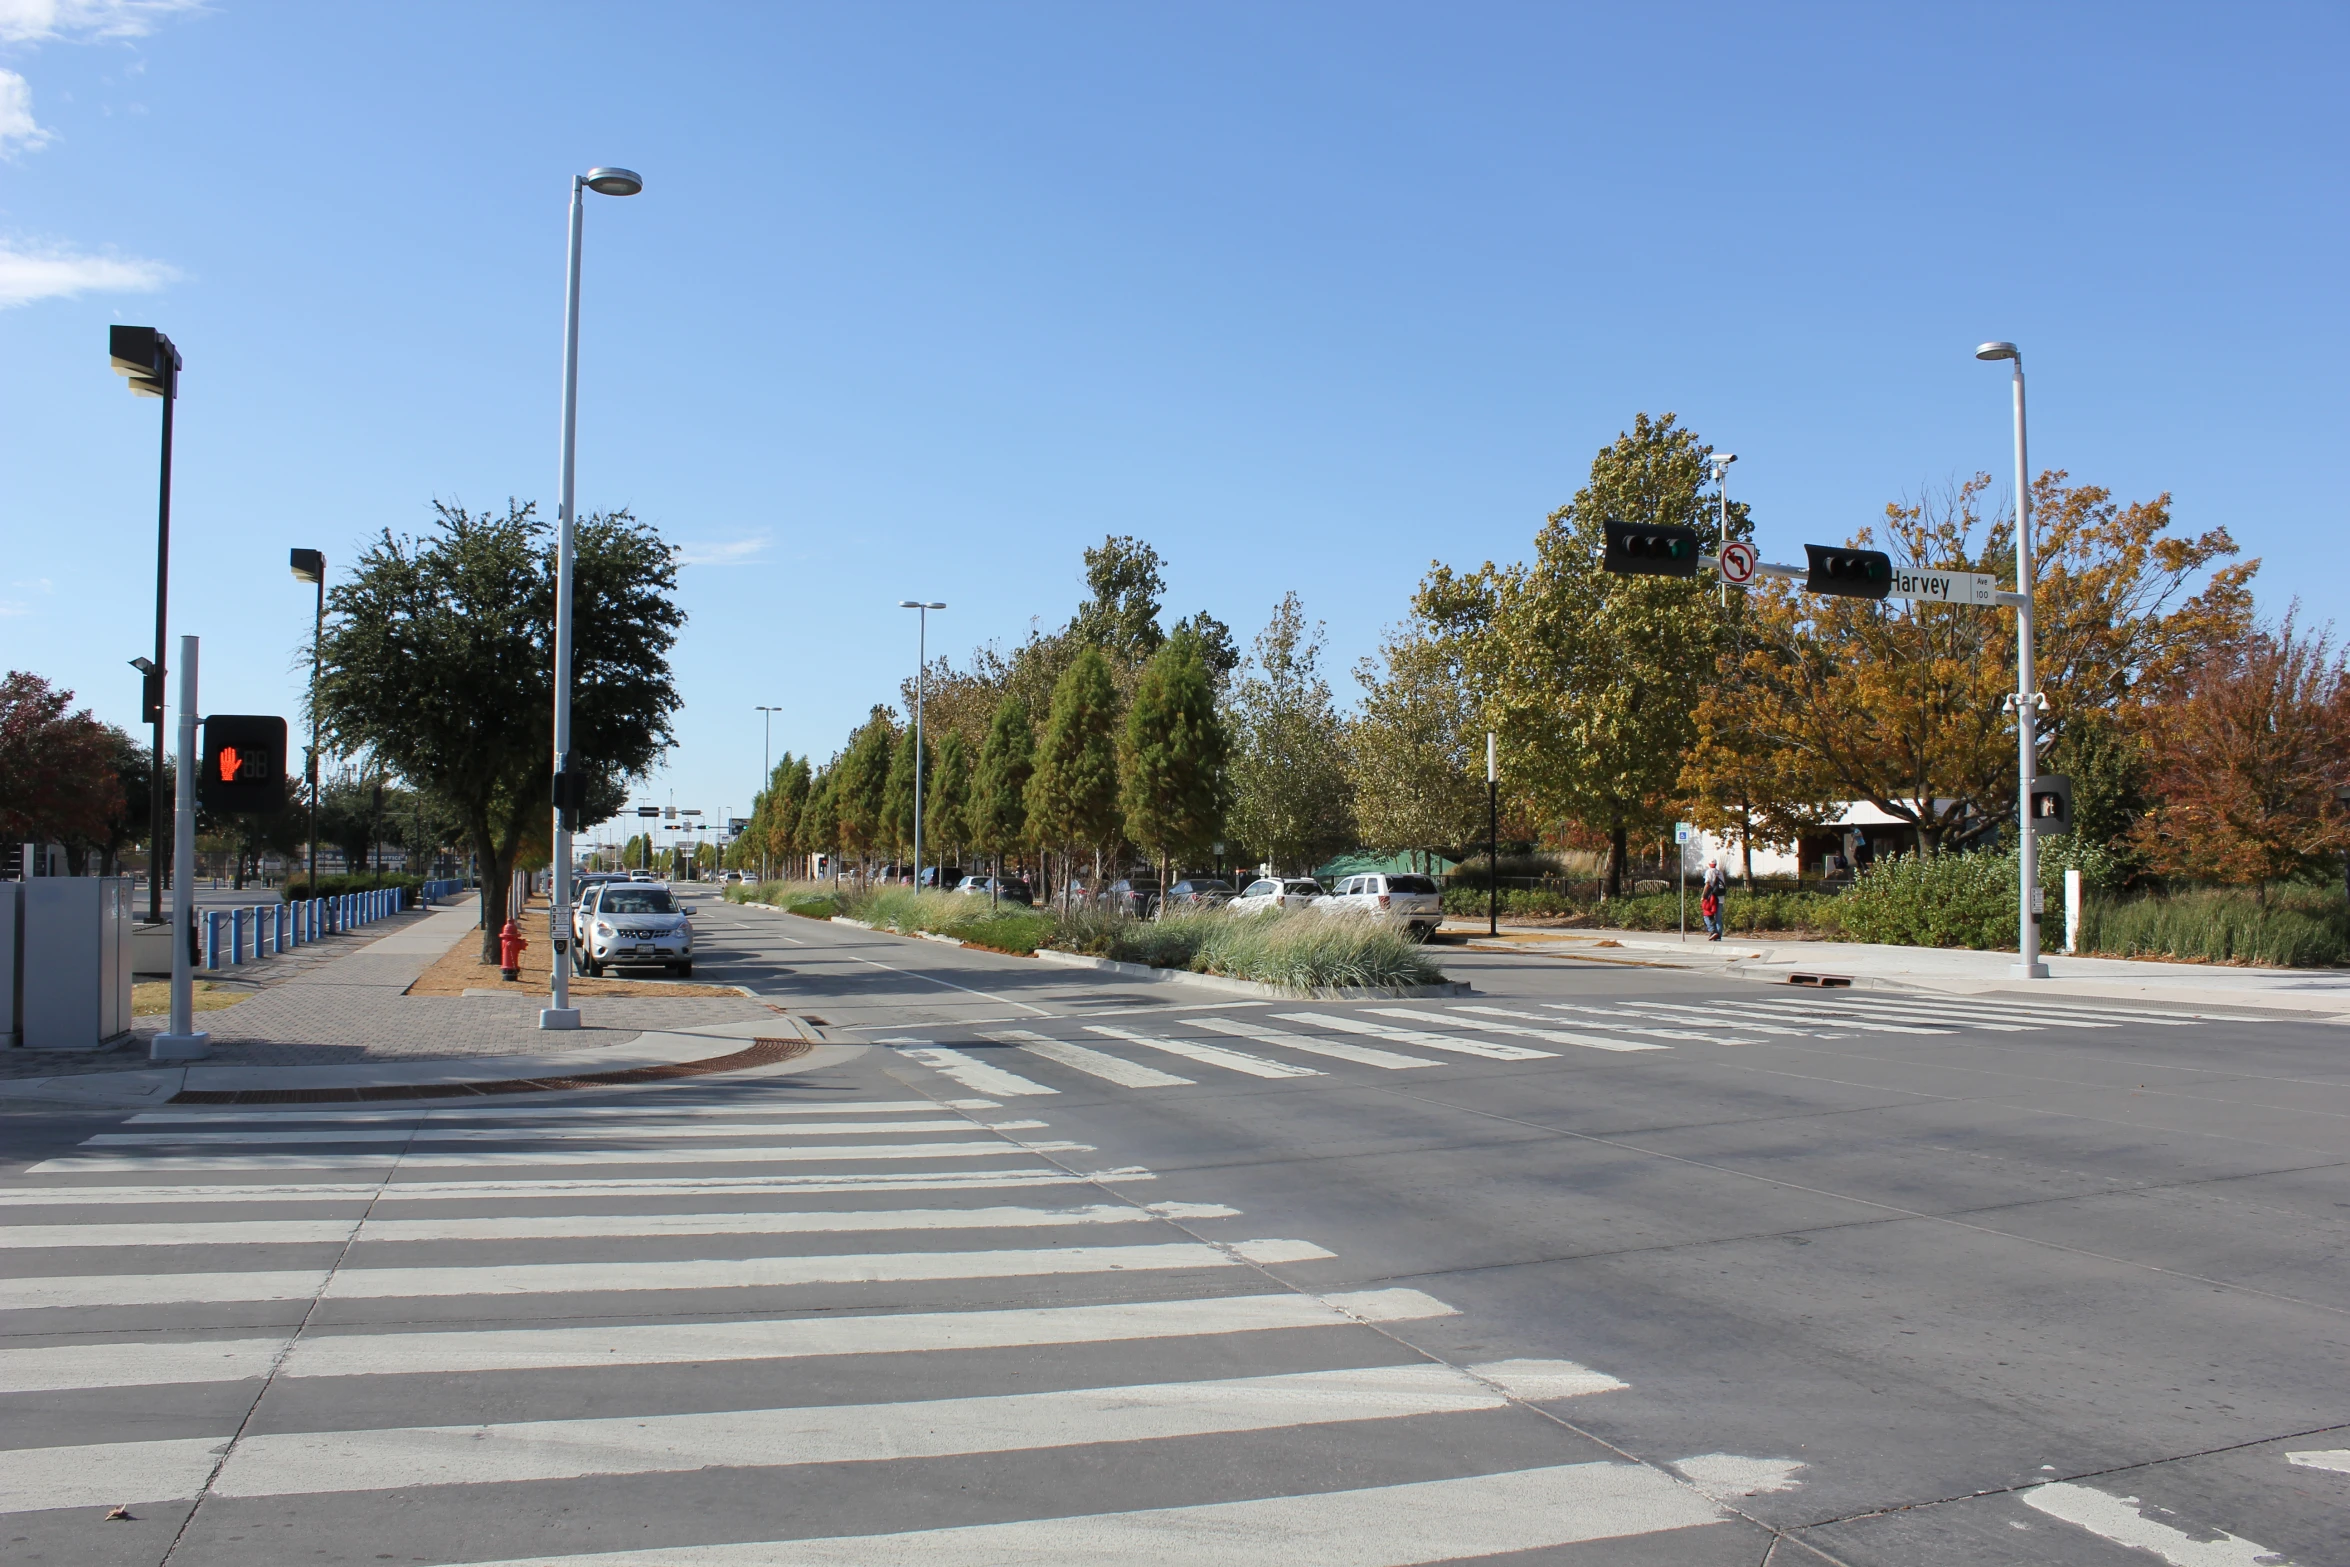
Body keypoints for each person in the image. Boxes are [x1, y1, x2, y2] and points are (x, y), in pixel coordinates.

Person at [1700, 858, 1728, 941]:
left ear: (1709, 864)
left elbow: (1707, 884)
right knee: (1718, 917)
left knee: (1707, 915)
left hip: (1712, 898)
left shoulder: (1709, 872)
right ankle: (1718, 935)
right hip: (1720, 897)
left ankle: (1713, 931)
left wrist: (1703, 896)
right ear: (1716, 864)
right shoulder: (1720, 873)